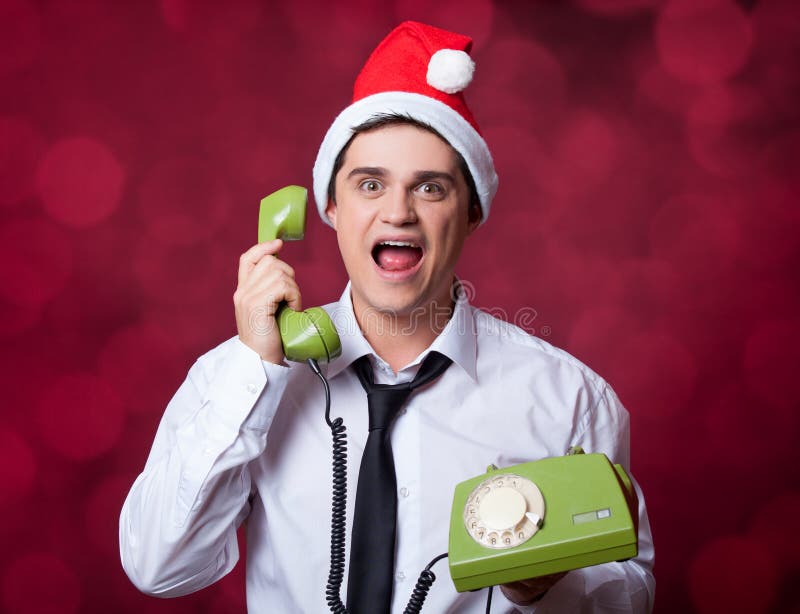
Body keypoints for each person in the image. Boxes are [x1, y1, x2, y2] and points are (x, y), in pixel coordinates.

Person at [119, 21, 655, 613]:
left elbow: (630, 599)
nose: (397, 213)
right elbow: (159, 567)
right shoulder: (236, 380)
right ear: (329, 204)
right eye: (370, 184)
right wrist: (257, 371)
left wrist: (547, 588)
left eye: (430, 189)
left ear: (471, 212)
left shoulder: (570, 399)